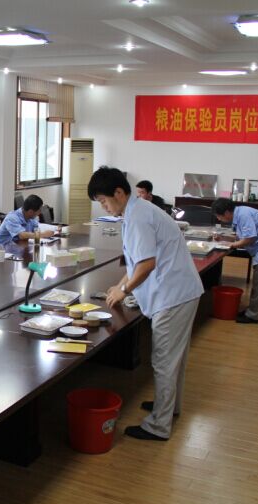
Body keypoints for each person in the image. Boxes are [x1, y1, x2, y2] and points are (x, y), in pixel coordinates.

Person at [88, 166, 203, 441]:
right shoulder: (136, 212)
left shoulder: (138, 216)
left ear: (119, 192)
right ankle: (169, 407)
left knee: (164, 361)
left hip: (172, 296)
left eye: (103, 201)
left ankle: (159, 426)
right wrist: (119, 285)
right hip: (180, 291)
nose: (104, 207)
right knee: (175, 359)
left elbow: (147, 264)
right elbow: (136, 260)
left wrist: (124, 289)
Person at [211, 197, 258, 324]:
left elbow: (249, 238)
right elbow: (241, 236)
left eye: (219, 216)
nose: (219, 219)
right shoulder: (240, 213)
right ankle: (251, 311)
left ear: (226, 213)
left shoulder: (243, 215)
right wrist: (223, 238)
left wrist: (231, 245)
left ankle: (253, 316)